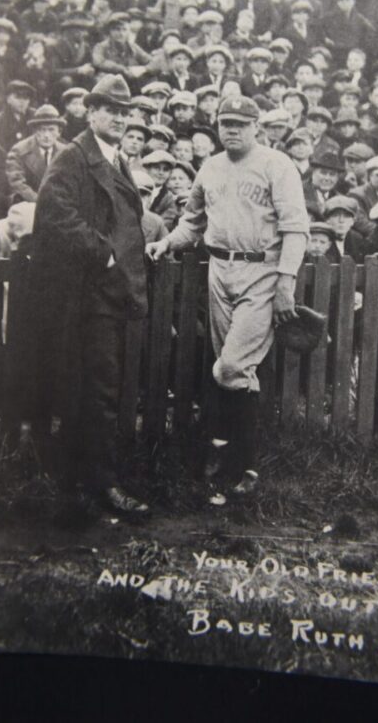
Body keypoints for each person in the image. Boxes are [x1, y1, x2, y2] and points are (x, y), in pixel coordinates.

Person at [147, 95, 309, 505]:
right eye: (225, 123)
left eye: (240, 123)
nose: (232, 130)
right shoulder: (210, 167)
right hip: (219, 270)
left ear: (256, 126)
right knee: (237, 370)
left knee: (232, 365)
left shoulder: (277, 164)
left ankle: (229, 452)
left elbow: (295, 228)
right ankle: (240, 463)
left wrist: (285, 282)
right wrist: (167, 242)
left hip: (262, 270)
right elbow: (193, 222)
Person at [29, 73, 150, 517]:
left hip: (110, 293)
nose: (118, 118)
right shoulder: (73, 157)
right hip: (84, 294)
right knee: (95, 387)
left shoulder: (115, 159)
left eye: (124, 112)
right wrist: (104, 254)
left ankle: (85, 482)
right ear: (90, 111)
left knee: (99, 385)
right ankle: (97, 485)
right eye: (109, 110)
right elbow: (54, 214)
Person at [6, 104, 67, 203]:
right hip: (29, 202)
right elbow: (17, 183)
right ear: (34, 131)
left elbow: (69, 182)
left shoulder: (65, 152)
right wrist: (40, 202)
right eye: (42, 130)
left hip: (58, 202)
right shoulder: (19, 151)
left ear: (59, 132)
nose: (46, 135)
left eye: (51, 130)